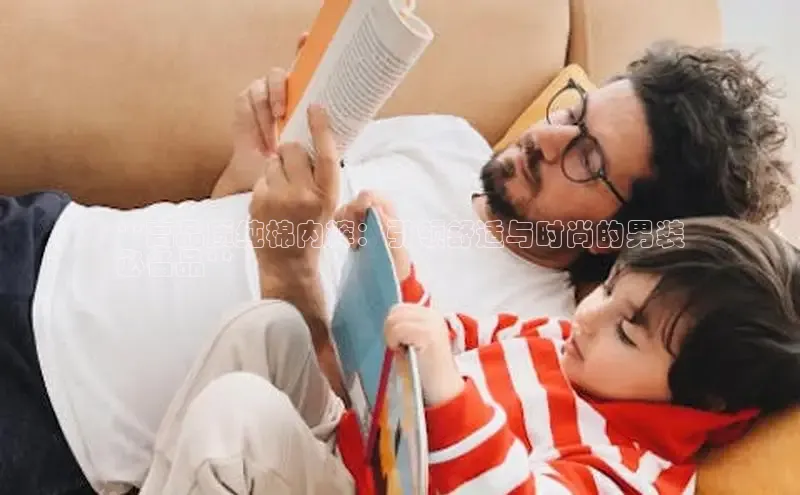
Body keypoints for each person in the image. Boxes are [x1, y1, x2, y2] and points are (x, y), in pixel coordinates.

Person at [0, 38, 793, 494]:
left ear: (617, 234)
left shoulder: (568, 341)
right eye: (573, 114)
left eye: (587, 158)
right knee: (265, 330)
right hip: (56, 242)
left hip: (65, 418)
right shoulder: (447, 140)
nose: (549, 139)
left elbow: (375, 404)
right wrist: (249, 168)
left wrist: (294, 264)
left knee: (241, 404)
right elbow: (228, 222)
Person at [135, 199, 800, 494]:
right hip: (354, 455)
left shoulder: (631, 471)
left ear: (705, 399)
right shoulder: (557, 339)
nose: (590, 318)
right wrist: (392, 265)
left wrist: (450, 397)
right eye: (608, 288)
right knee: (269, 328)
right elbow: (442, 338)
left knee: (238, 417)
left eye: (626, 331)